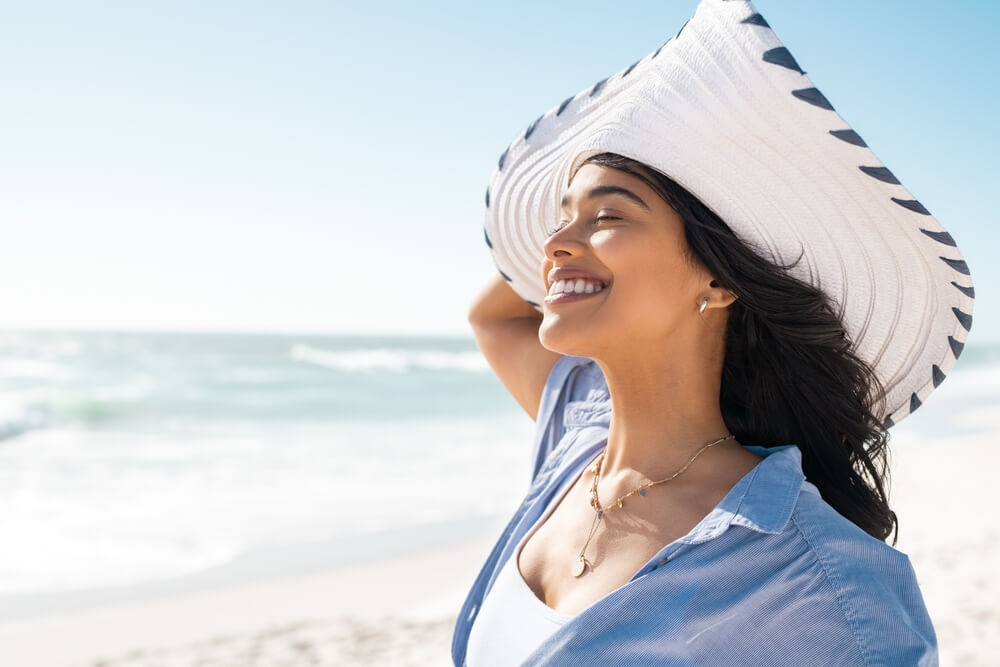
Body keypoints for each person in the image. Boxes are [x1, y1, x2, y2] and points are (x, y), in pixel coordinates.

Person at [452, 1, 972, 665]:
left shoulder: (829, 589)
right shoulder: (578, 436)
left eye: (609, 213)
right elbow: (494, 317)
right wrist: (603, 196)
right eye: (559, 218)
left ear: (721, 280)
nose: (553, 243)